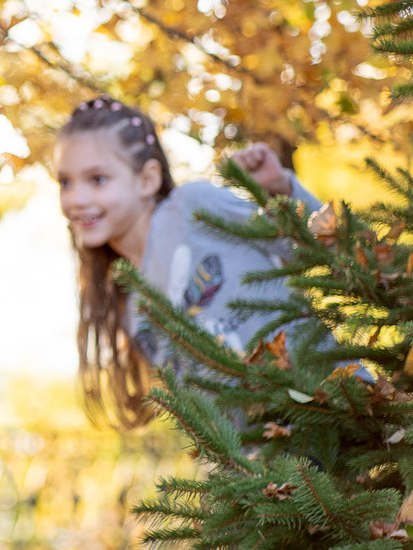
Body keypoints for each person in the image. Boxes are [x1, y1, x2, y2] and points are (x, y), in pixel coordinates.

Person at [55, 95, 321, 427]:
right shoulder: (135, 309)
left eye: (97, 179)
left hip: (336, 403)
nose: (76, 199)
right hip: (274, 452)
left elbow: (316, 246)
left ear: (147, 180)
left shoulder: (193, 207)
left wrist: (281, 187)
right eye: (65, 182)